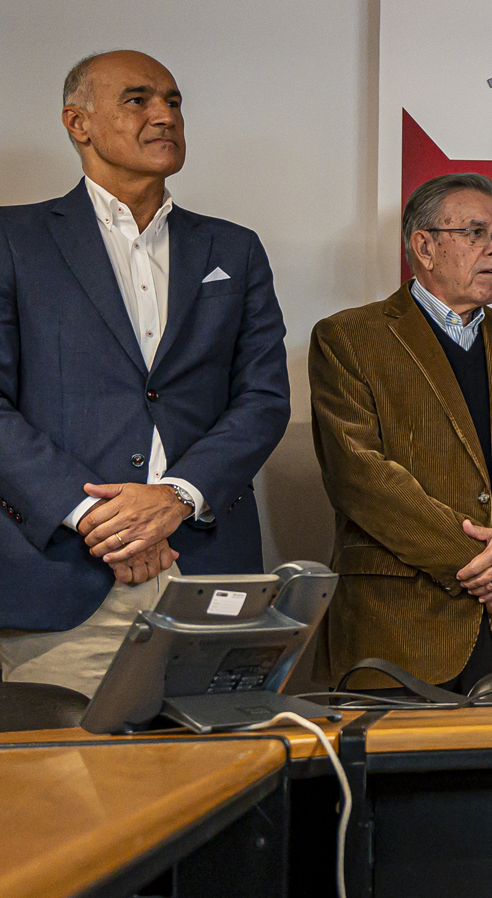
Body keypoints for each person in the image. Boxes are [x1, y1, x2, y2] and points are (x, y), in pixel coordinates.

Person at [0, 51, 290, 697]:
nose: (164, 114)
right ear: (79, 123)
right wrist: (91, 515)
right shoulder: (13, 240)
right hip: (64, 584)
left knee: (229, 789)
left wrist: (176, 495)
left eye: (174, 100)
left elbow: (264, 398)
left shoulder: (233, 250)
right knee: (72, 792)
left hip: (210, 578)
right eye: (138, 99)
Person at [309, 173, 492, 691]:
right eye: (476, 233)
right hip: (398, 630)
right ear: (424, 246)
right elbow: (361, 478)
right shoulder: (347, 339)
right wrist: (487, 564)